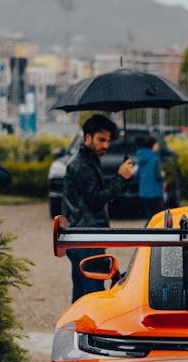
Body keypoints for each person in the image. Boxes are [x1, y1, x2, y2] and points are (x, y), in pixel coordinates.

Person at [62, 114, 133, 301]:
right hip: (87, 239)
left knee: (82, 297)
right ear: (87, 138)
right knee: (93, 297)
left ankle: (77, 330)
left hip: (84, 237)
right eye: (101, 140)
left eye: (108, 141)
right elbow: (95, 199)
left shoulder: (88, 160)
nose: (106, 145)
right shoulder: (82, 164)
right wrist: (119, 177)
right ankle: (89, 331)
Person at [135, 135, 165, 220]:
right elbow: (159, 175)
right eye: (156, 144)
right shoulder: (156, 158)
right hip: (155, 192)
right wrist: (163, 175)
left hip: (144, 192)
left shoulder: (140, 157)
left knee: (149, 216)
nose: (158, 146)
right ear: (153, 145)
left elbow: (137, 174)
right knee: (157, 217)